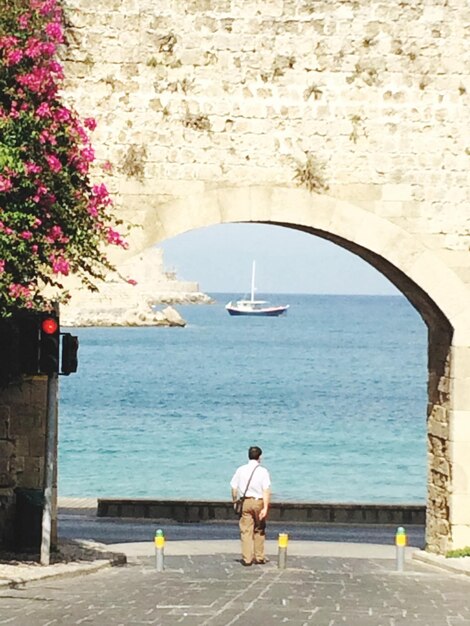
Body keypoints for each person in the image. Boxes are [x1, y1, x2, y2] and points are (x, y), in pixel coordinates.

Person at [230, 445, 271, 566]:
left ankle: (247, 558)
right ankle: (259, 556)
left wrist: (234, 501)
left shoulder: (241, 470)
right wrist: (265, 507)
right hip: (258, 501)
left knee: (246, 530)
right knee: (259, 529)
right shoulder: (263, 471)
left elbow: (234, 487)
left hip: (245, 501)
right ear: (260, 457)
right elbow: (266, 490)